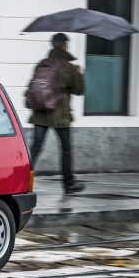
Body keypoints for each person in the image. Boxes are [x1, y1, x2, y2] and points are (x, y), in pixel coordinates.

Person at [28, 33, 85, 195]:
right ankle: (69, 184)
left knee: (35, 148)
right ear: (65, 46)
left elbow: (33, 86)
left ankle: (21, 181)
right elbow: (79, 90)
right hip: (60, 115)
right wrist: (80, 74)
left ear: (52, 45)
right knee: (65, 149)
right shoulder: (67, 66)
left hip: (40, 112)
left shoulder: (41, 64)